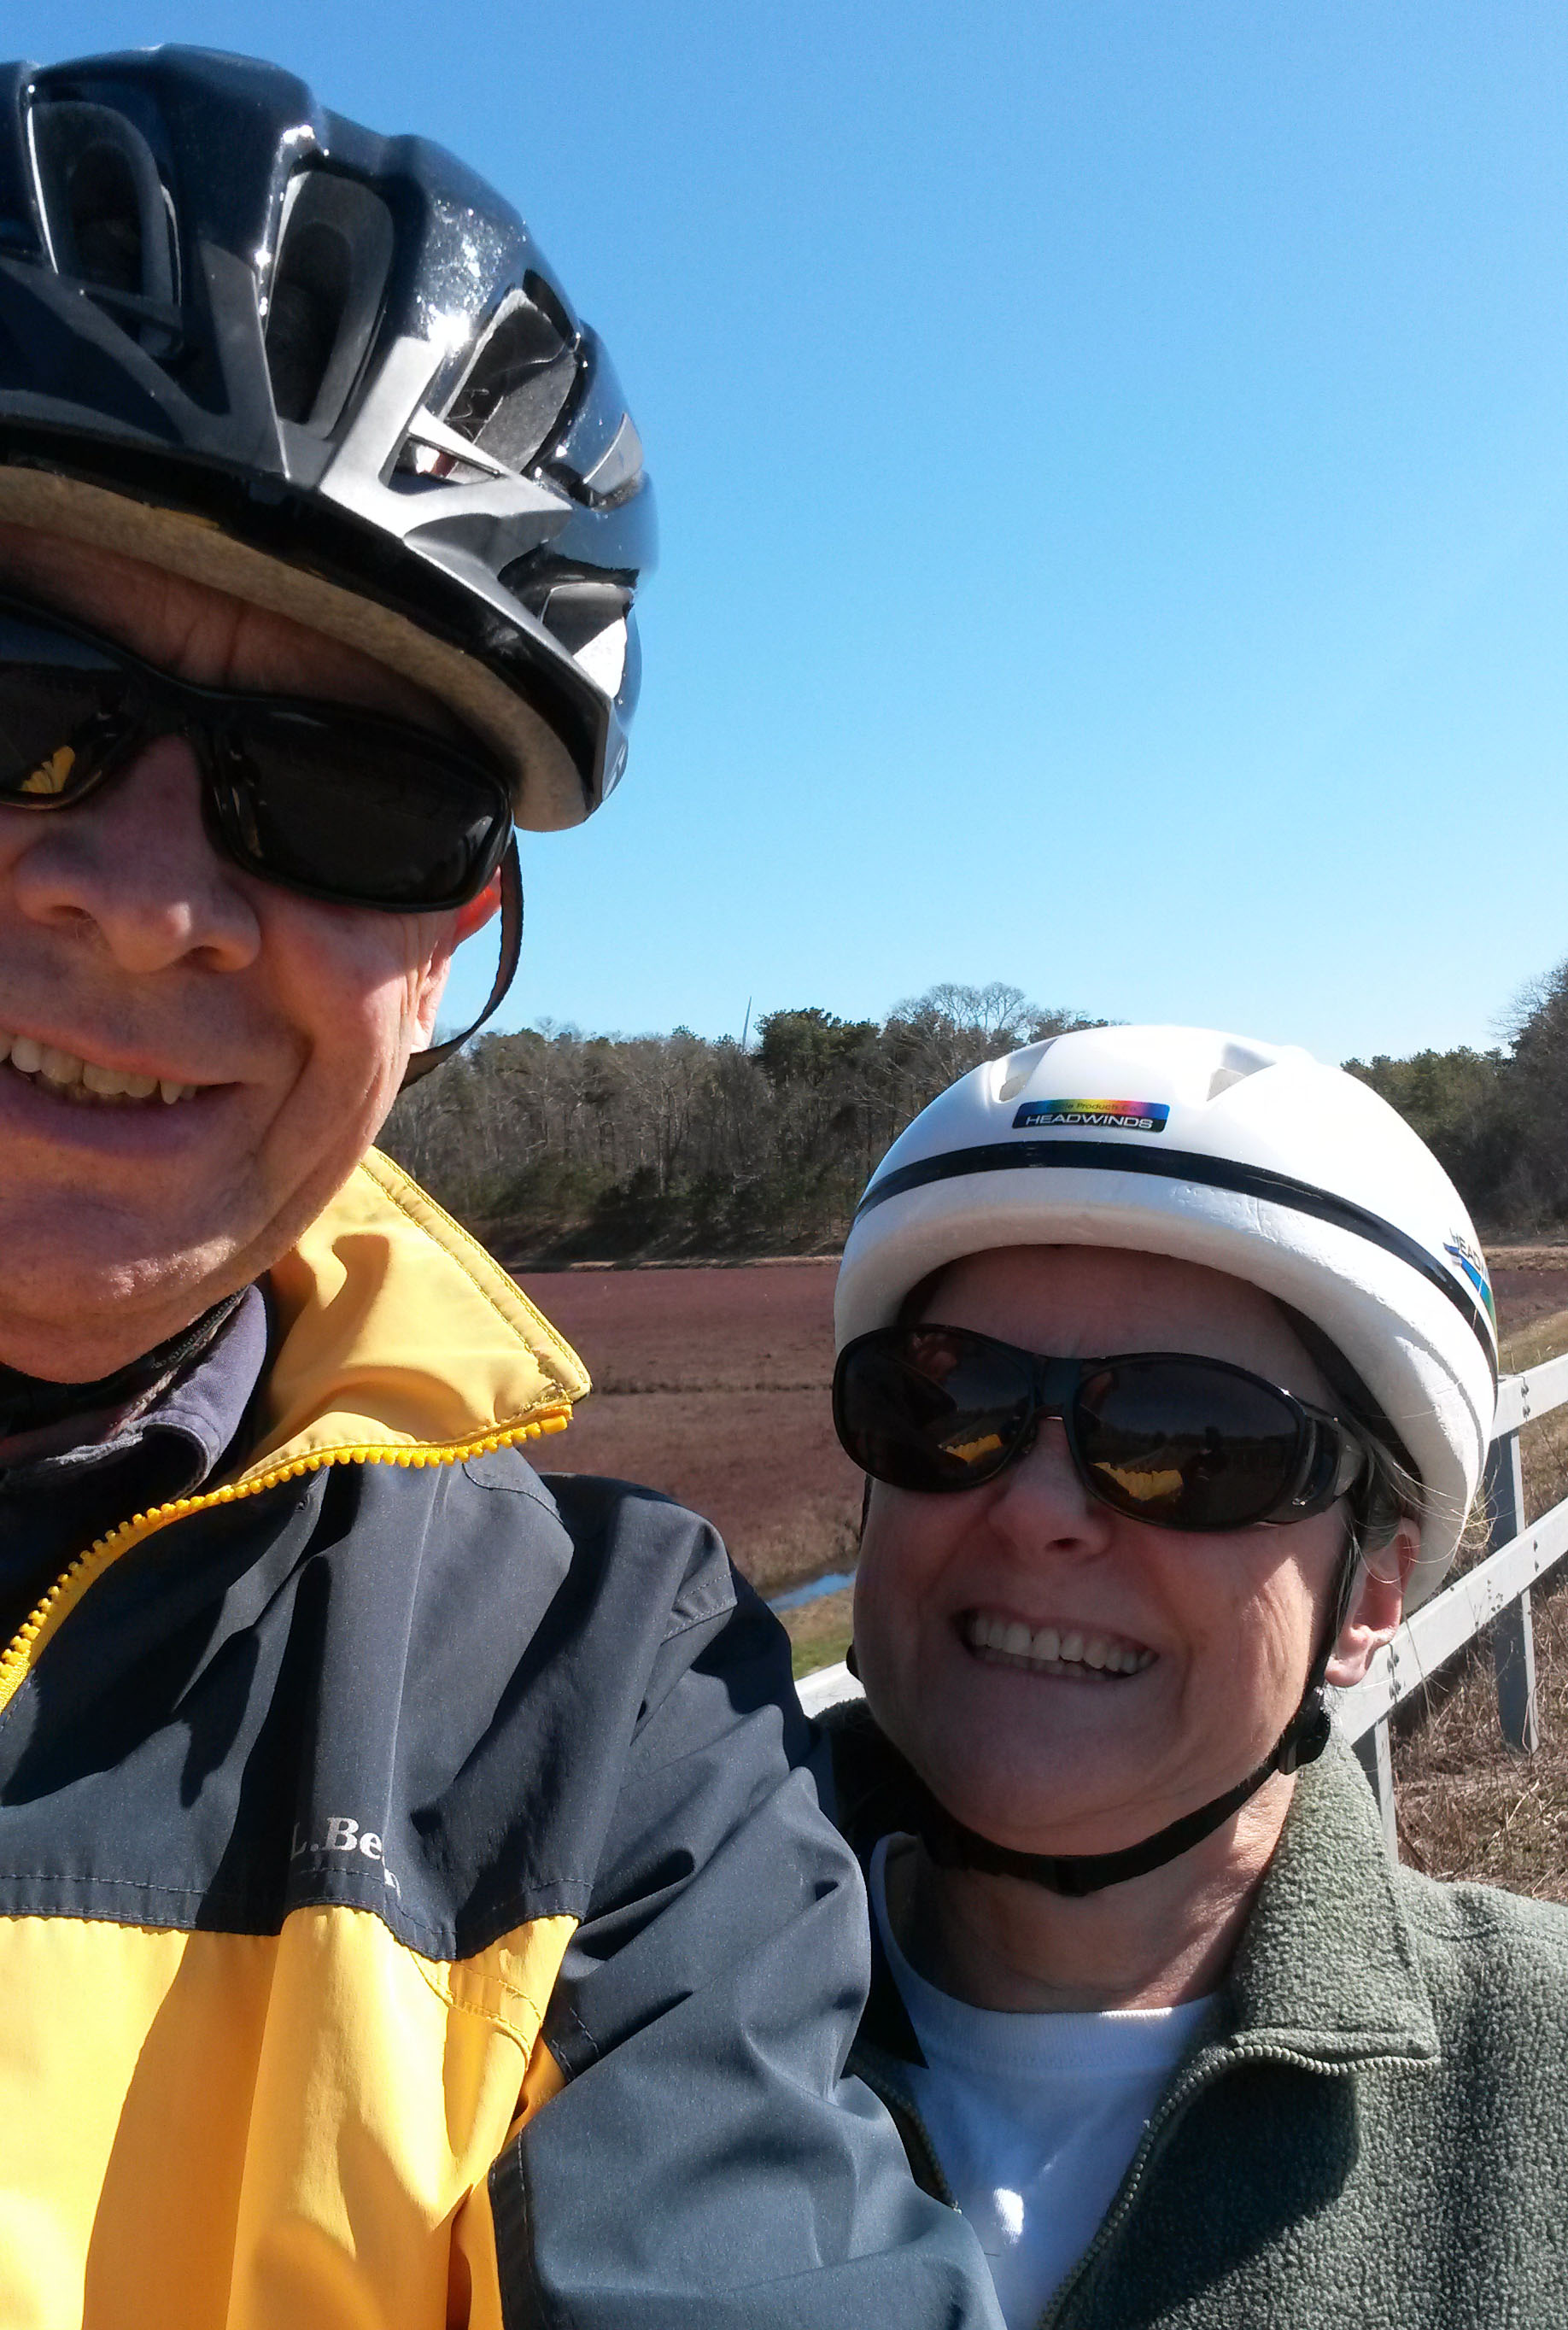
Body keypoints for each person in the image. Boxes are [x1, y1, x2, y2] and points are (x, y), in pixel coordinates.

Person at [0, 48, 1002, 2330]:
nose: (147, 902)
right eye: (16, 703)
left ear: (448, 944)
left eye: (345, 799)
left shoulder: (590, 1705)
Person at [822, 1020, 1568, 2329]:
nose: (1035, 1510)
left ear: (1370, 1596)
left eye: (1189, 1441)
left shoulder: (1536, 2072)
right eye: (950, 1408)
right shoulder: (610, 2021)